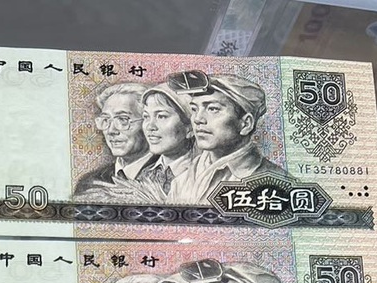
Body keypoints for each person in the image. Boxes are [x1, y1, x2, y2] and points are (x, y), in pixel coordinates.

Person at [167, 70, 286, 204]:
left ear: (246, 124)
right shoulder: (181, 180)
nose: (198, 119)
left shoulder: (277, 184)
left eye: (213, 109)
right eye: (194, 109)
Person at [74, 82, 160, 197]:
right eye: (106, 120)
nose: (111, 131)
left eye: (123, 119)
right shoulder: (90, 183)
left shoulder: (169, 178)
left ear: (147, 122)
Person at [135, 82, 196, 200]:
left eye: (161, 116)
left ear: (189, 127)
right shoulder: (144, 175)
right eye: (146, 116)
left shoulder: (201, 175)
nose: (150, 126)